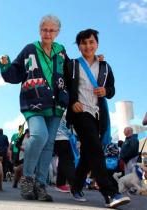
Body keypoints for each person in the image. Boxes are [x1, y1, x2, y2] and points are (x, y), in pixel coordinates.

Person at [0, 15, 69, 201]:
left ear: (57, 33)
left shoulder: (61, 52)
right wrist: (5, 65)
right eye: (44, 29)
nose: (48, 33)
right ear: (40, 30)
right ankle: (27, 178)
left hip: (56, 104)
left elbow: (70, 75)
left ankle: (40, 185)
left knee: (48, 145)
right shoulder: (30, 49)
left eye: (51, 30)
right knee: (39, 135)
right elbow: (14, 74)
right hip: (33, 101)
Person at [65, 28, 130, 208]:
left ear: (97, 44)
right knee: (95, 148)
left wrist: (106, 91)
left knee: (88, 152)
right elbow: (64, 88)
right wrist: (72, 102)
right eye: (84, 43)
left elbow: (112, 90)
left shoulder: (105, 66)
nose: (88, 46)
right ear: (79, 46)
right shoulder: (72, 65)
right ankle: (110, 193)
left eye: (91, 42)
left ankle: (76, 186)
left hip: (99, 115)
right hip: (80, 112)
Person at [54, 112, 75, 193]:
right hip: (59, 137)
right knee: (68, 160)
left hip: (62, 136)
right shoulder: (63, 106)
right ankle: (74, 185)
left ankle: (60, 184)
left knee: (63, 160)